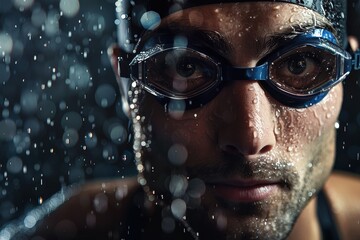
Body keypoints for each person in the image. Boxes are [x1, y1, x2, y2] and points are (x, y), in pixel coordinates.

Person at [1, 0, 360, 239]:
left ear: (346, 73)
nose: (251, 137)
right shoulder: (70, 230)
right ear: (126, 85)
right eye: (185, 67)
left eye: (299, 65)